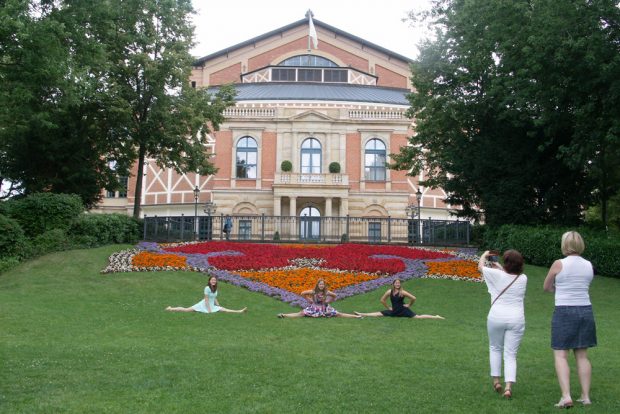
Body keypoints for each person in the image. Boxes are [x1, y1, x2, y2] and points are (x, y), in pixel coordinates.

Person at [543, 231, 597, 409]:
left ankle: (566, 396)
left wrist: (557, 289)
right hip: (586, 311)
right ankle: (585, 396)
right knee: (582, 355)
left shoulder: (559, 264)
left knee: (560, 354)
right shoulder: (588, 265)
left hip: (564, 311)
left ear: (565, 244)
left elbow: (546, 287)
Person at [478, 249, 527, 400]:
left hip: (496, 317)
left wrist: (485, 255)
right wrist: (497, 265)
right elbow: (508, 276)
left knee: (495, 348)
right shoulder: (523, 278)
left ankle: (496, 381)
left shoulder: (497, 275)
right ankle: (508, 387)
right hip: (516, 318)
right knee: (510, 354)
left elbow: (480, 267)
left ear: (506, 263)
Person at [353, 279, 444, 319]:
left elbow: (413, 298)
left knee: (418, 317)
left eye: (399, 283)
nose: (397, 284)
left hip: (403, 311)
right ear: (393, 284)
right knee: (378, 314)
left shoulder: (402, 292)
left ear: (400, 284)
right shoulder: (389, 291)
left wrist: (409, 305)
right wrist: (388, 307)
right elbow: (382, 300)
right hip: (394, 311)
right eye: (396, 283)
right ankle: (361, 314)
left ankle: (436, 316)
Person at [277, 279, 360, 318]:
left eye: (323, 284)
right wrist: (309, 300)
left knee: (338, 314)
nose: (321, 286)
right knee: (301, 313)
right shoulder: (313, 291)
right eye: (320, 284)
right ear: (317, 285)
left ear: (324, 285)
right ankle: (284, 315)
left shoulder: (326, 292)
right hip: (314, 307)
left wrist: (328, 301)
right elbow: (303, 293)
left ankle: (357, 317)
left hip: (325, 307)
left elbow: (334, 295)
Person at [166, 275, 247, 314]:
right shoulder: (207, 288)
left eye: (215, 280)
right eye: (212, 280)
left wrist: (218, 305)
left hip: (211, 305)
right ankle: (170, 308)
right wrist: (209, 310)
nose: (214, 281)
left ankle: (239, 311)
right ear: (209, 281)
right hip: (203, 305)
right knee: (187, 310)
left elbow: (214, 297)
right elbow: (206, 299)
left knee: (224, 309)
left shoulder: (215, 288)